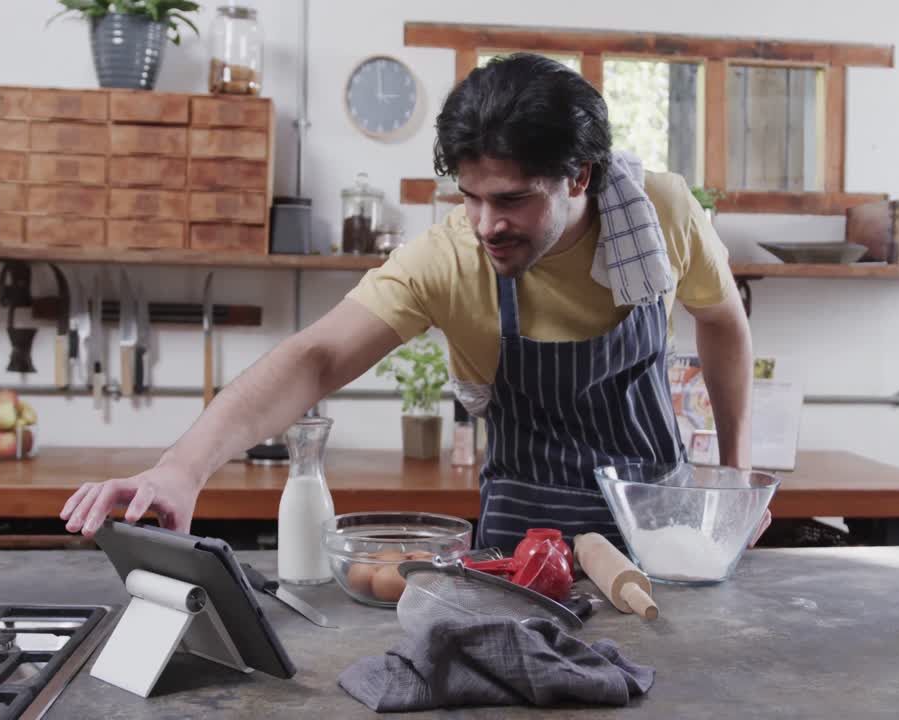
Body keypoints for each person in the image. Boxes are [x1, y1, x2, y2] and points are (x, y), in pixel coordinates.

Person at [62, 53, 762, 550]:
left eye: (513, 199)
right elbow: (315, 358)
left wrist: (734, 474)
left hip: (662, 531)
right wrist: (181, 469)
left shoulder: (659, 212)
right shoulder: (448, 258)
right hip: (520, 551)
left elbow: (722, 323)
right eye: (471, 197)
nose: (487, 225)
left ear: (579, 176)